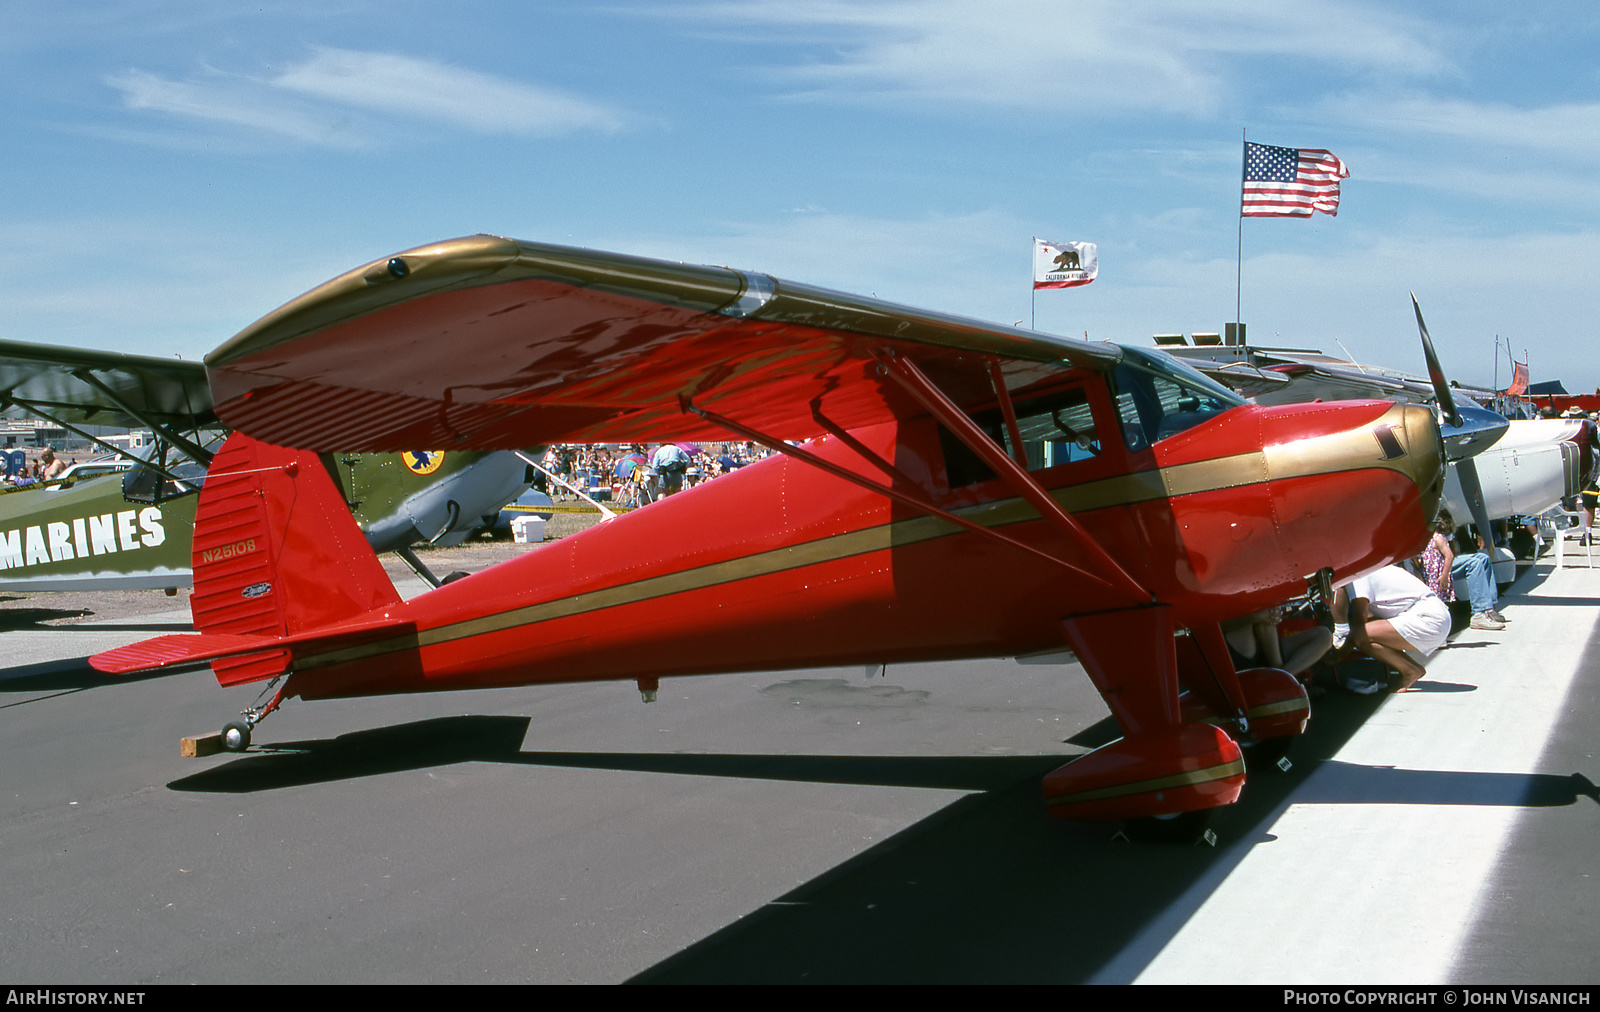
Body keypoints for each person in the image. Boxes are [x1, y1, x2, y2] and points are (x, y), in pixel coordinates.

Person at [1333, 566, 1452, 692]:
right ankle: (1410, 669)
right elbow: (1370, 620)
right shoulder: (1371, 570)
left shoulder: (1358, 578)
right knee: (1366, 638)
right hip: (1435, 617)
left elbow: (1359, 626)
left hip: (1429, 618)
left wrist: (1336, 657)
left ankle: (1410, 670)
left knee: (1359, 635)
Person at [1423, 511, 1507, 631]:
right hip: (1437, 566)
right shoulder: (1436, 537)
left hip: (1443, 560)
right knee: (1474, 563)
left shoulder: (1442, 535)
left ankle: (1489, 608)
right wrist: (1445, 575)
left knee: (1483, 559)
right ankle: (1479, 613)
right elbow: (1449, 556)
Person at [1221, 605, 1333, 680]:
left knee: (1324, 635)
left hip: (1270, 646)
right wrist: (1256, 617)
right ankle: (1281, 677)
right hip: (1238, 647)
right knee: (1263, 612)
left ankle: (1282, 677)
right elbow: (1213, 625)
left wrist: (1273, 614)